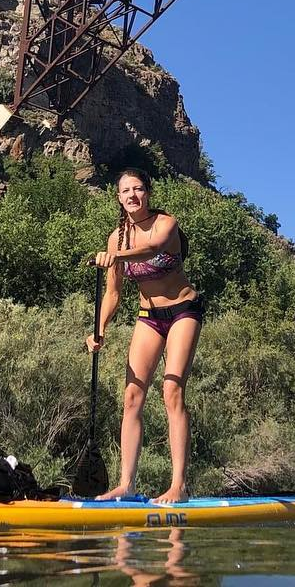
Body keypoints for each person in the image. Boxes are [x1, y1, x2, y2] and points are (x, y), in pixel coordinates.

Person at [86, 168, 204, 504]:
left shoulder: (167, 224)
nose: (133, 196)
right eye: (126, 191)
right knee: (132, 397)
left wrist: (115, 258)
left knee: (171, 391)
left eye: (138, 189)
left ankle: (178, 485)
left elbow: (152, 249)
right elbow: (113, 294)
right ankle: (127, 485)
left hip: (183, 311)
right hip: (149, 316)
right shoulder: (115, 238)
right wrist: (99, 330)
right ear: (119, 198)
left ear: (148, 193)